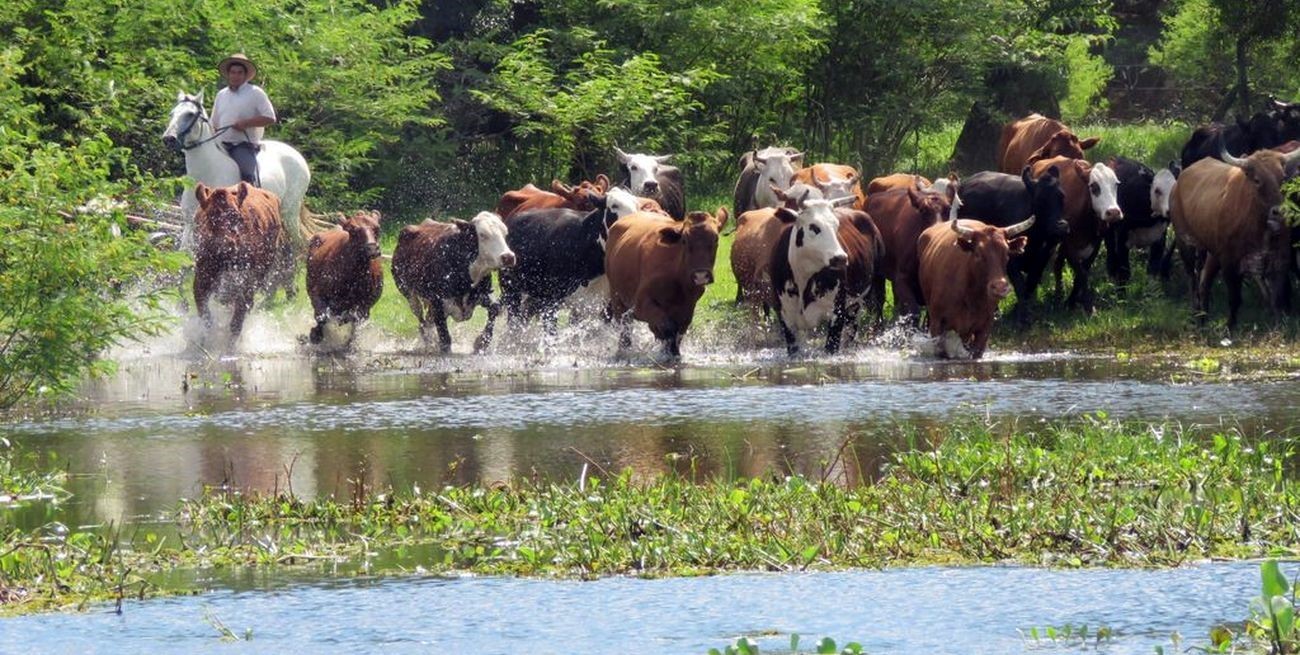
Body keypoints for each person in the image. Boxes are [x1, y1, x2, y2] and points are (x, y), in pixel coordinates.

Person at [210, 53, 277, 186]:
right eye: (233, 72)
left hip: (242, 145)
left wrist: (246, 123)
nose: (235, 76)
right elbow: (214, 123)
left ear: (245, 75)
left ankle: (250, 195)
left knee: (247, 173)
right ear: (228, 74)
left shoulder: (255, 93)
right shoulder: (221, 95)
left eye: (239, 73)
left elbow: (270, 117)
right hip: (220, 144)